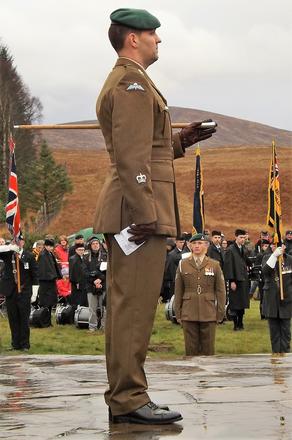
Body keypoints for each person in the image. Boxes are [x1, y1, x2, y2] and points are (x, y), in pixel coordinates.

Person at [93, 8, 216, 424]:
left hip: (133, 207)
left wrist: (181, 141)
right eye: (153, 34)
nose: (158, 40)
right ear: (133, 39)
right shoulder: (131, 84)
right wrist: (146, 214)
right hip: (137, 211)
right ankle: (129, 399)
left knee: (129, 305)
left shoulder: (133, 81)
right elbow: (131, 158)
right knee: (134, 308)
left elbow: (147, 150)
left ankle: (124, 395)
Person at [174, 233, 226, 356]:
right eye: (194, 243)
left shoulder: (214, 265)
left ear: (206, 246)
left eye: (200, 243)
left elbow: (220, 291)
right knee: (190, 351)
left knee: (208, 351)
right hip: (189, 312)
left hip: (208, 312)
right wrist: (178, 312)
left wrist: (220, 312)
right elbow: (178, 290)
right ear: (190, 246)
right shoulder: (183, 264)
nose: (197, 246)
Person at [0, 235, 38, 351]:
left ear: (23, 242)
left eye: (19, 241)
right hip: (11, 291)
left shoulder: (29, 256)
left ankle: (25, 344)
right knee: (13, 318)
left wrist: (35, 292)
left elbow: (34, 275)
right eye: (15, 241)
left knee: (24, 318)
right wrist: (10, 247)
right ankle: (15, 344)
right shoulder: (8, 255)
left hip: (24, 291)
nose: (17, 243)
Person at [262, 244, 292, 354]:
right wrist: (274, 256)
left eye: (281, 246)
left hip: (286, 300)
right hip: (272, 300)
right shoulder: (267, 258)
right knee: (274, 332)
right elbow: (265, 271)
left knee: (286, 331)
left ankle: (286, 354)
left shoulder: (289, 260)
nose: (279, 248)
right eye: (275, 246)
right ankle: (275, 354)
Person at [223, 229, 252, 331]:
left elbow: (245, 261)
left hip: (243, 279)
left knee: (242, 303)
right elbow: (228, 266)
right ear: (236, 237)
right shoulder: (230, 250)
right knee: (235, 304)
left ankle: (241, 323)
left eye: (244, 237)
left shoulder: (242, 249)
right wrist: (232, 281)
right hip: (235, 280)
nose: (243, 239)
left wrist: (250, 265)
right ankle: (235, 324)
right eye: (241, 237)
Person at [38, 238, 62, 324]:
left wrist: (57, 276)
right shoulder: (43, 255)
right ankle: (45, 321)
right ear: (45, 246)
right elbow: (45, 269)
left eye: (52, 246)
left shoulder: (50, 254)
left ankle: (48, 321)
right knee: (46, 302)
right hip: (46, 282)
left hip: (51, 281)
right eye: (49, 246)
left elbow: (53, 266)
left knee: (51, 301)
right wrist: (54, 276)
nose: (51, 248)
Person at [83, 237, 106, 331]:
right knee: (92, 308)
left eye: (97, 243)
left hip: (103, 284)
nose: (95, 245)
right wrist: (93, 281)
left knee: (103, 307)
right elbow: (84, 271)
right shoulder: (85, 256)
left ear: (99, 245)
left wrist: (100, 279)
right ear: (90, 245)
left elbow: (107, 270)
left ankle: (104, 326)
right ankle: (92, 326)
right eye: (93, 244)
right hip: (90, 285)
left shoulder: (105, 255)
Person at [69, 243, 88, 308]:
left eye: (83, 250)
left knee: (82, 299)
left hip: (83, 282)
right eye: (80, 250)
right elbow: (73, 272)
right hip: (77, 283)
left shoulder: (83, 258)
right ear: (76, 250)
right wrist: (77, 282)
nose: (81, 251)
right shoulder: (73, 259)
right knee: (77, 300)